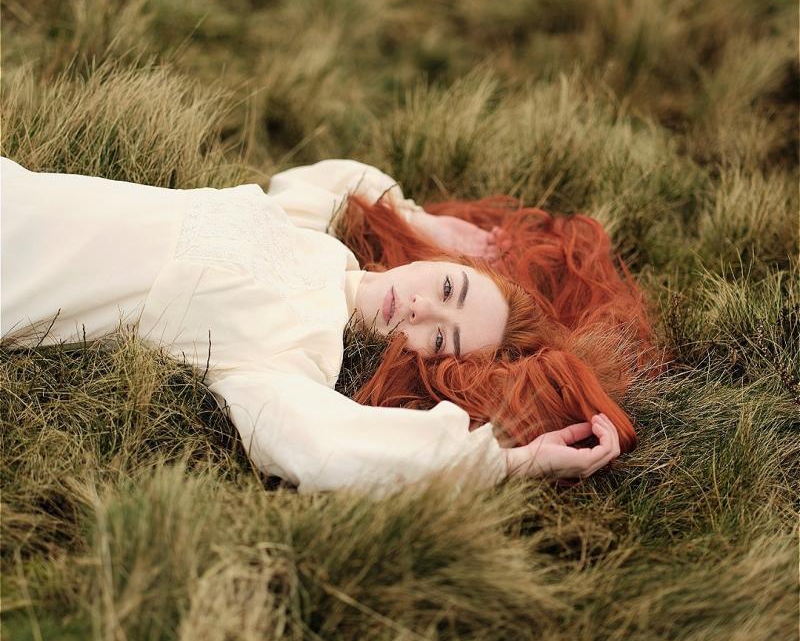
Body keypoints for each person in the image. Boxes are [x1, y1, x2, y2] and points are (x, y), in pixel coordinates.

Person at [1, 157, 641, 496]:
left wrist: (509, 463)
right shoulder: (309, 236)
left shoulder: (298, 353)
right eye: (448, 287)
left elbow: (327, 447)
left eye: (441, 337)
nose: (422, 311)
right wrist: (423, 219)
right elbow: (331, 180)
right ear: (434, 263)